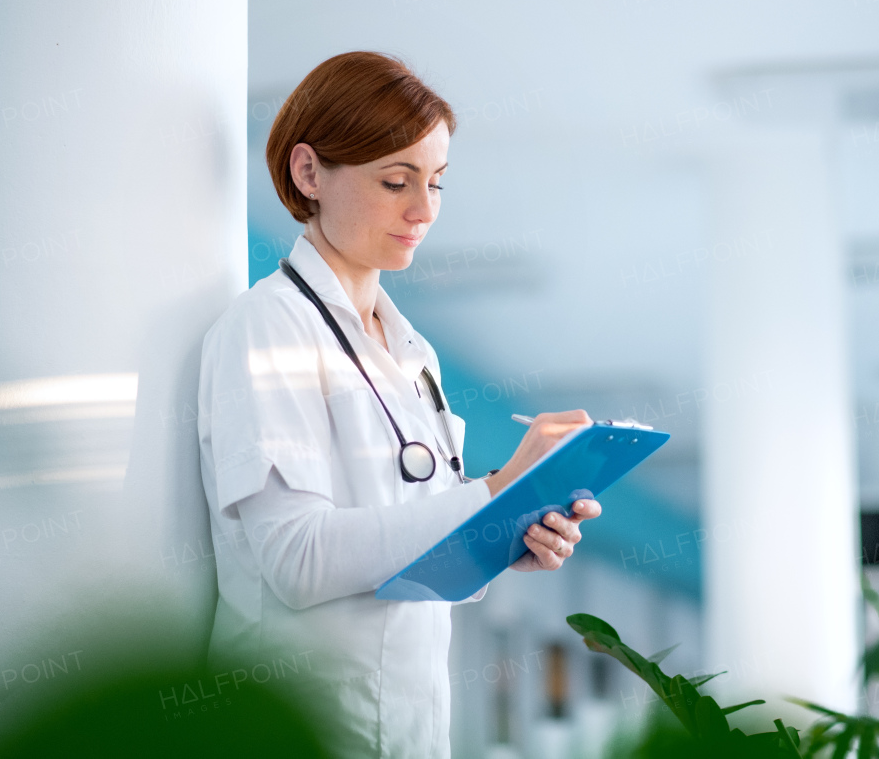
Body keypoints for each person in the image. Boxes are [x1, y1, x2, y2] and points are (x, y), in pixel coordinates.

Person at [196, 51, 601, 758]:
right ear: (308, 173)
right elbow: (297, 561)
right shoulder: (268, 328)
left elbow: (415, 557)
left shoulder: (415, 356)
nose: (422, 210)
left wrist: (507, 536)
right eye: (394, 181)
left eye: (436, 183)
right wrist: (497, 489)